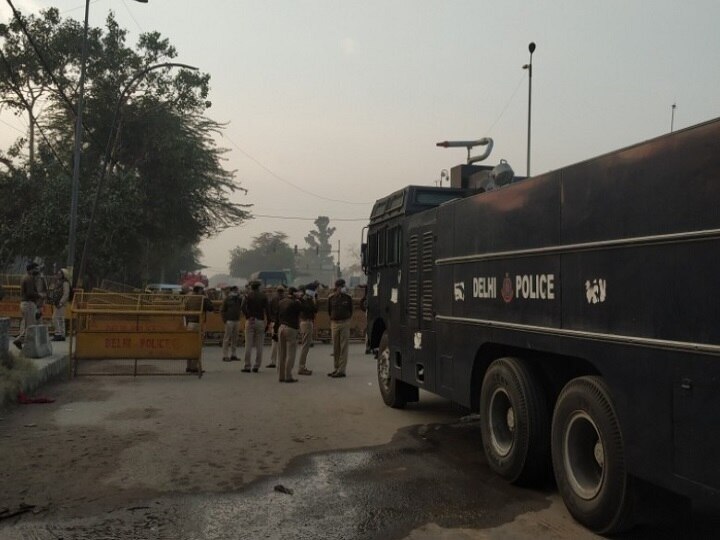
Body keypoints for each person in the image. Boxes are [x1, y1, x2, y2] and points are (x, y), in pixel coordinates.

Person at [241, 280, 269, 372]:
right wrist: (267, 323)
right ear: (258, 287)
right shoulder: (263, 296)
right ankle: (257, 365)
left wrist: (248, 316)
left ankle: (247, 365)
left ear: (251, 287)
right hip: (260, 320)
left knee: (248, 344)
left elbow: (242, 307)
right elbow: (267, 309)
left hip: (250, 320)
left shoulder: (247, 295)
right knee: (259, 345)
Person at [185, 282, 214, 373]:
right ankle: (194, 367)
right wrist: (206, 297)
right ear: (200, 290)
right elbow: (210, 307)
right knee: (197, 346)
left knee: (189, 345)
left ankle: (189, 366)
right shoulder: (201, 298)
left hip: (188, 323)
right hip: (197, 323)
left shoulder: (188, 297)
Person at [328, 278, 354, 378]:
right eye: (341, 286)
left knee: (343, 347)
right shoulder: (331, 298)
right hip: (334, 323)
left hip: (345, 322)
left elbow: (351, 311)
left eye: (343, 286)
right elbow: (329, 311)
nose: (343, 288)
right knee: (336, 347)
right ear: (337, 287)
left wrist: (346, 320)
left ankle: (342, 370)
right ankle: (336, 368)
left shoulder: (348, 298)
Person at [13, 262, 42, 350]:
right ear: (31, 269)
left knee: (25, 325)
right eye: (36, 269)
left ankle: (25, 344)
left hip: (25, 304)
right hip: (28, 304)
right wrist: (39, 295)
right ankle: (19, 340)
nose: (37, 270)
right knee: (30, 327)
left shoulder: (25, 277)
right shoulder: (29, 278)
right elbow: (30, 293)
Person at [277, 287, 302, 382]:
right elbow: (303, 309)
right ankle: (288, 376)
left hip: (281, 327)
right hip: (291, 328)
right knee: (291, 354)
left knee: (282, 353)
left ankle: (281, 376)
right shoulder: (295, 303)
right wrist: (300, 298)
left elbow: (277, 316)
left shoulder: (281, 302)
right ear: (295, 293)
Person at [220, 285, 242, 363]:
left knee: (235, 338)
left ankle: (233, 354)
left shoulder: (239, 299)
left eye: (237, 290)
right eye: (234, 290)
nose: (236, 291)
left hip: (237, 320)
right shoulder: (227, 299)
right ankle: (225, 355)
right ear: (231, 291)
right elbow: (222, 310)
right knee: (227, 338)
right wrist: (225, 320)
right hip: (229, 320)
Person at [297, 291, 318, 375]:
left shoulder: (302, 300)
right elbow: (315, 309)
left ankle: (302, 366)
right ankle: (301, 367)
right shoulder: (307, 301)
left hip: (303, 322)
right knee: (305, 346)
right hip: (307, 323)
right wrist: (315, 300)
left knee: (305, 345)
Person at [266, 285, 286, 368]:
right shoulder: (286, 300)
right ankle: (282, 361)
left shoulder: (272, 300)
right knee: (283, 343)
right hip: (283, 323)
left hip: (274, 322)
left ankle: (273, 361)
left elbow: (268, 311)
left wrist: (269, 321)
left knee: (274, 343)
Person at [50, 268, 71, 341]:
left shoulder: (65, 283)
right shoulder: (59, 282)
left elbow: (66, 294)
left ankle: (58, 334)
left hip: (61, 303)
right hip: (58, 303)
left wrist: (61, 302)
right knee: (60, 319)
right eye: (58, 273)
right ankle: (62, 334)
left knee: (55, 318)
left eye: (60, 273)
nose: (58, 275)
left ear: (63, 275)